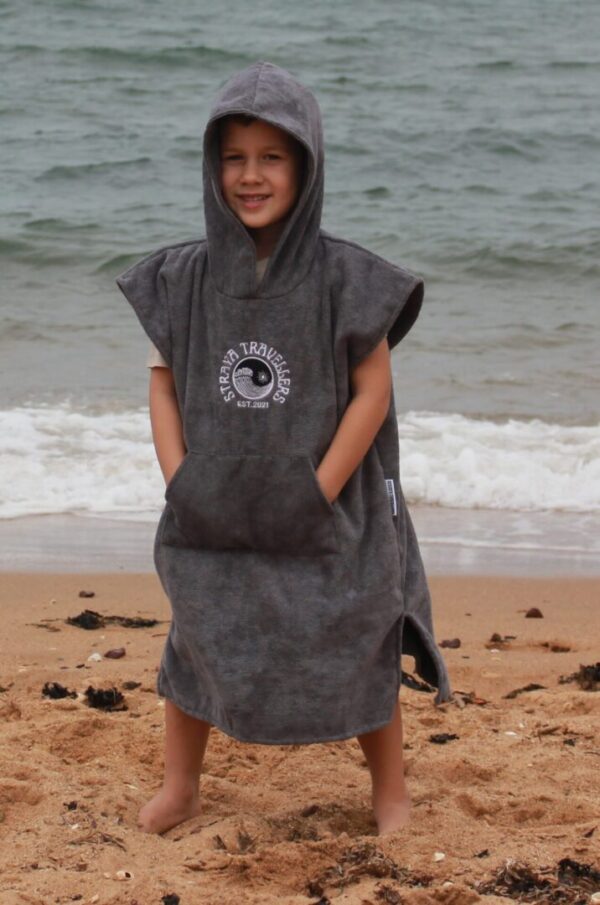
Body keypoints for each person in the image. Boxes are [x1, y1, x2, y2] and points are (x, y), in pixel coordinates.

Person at [116, 61, 452, 837]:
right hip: (216, 498)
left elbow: (373, 390)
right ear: (212, 166)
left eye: (272, 156)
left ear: (305, 163)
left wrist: (321, 486)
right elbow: (163, 382)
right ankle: (182, 786)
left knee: (360, 625)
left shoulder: (346, 276)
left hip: (329, 501)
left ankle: (390, 794)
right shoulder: (185, 278)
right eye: (234, 157)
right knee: (198, 627)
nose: (251, 176)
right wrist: (180, 481)